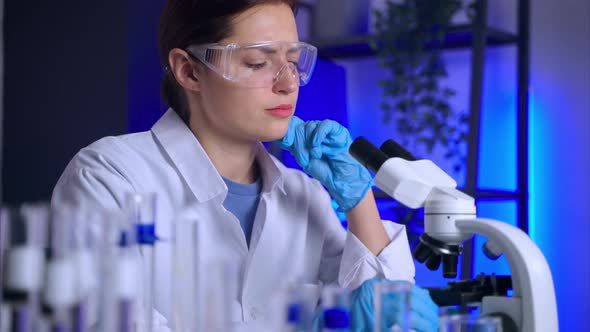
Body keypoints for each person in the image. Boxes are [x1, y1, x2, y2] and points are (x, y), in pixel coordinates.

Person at [52, 0, 438, 330]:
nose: (288, 83)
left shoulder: (304, 194)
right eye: (257, 63)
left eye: (292, 61)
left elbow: (392, 314)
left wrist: (358, 200)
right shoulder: (110, 176)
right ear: (189, 71)